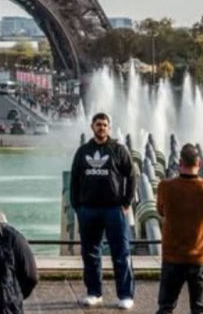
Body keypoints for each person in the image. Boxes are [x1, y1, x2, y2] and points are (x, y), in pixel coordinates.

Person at [70, 111, 136, 309]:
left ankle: (125, 295)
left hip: (114, 209)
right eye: (98, 124)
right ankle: (94, 292)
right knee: (90, 253)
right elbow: (75, 179)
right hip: (89, 210)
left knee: (121, 253)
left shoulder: (118, 149)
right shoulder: (83, 152)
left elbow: (132, 176)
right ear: (92, 127)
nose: (101, 128)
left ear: (109, 127)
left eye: (105, 125)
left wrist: (126, 202)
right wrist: (77, 205)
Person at [154, 143, 203, 314]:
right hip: (200, 258)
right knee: (199, 308)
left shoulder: (165, 187)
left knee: (166, 307)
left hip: (173, 256)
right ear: (199, 164)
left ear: (180, 163)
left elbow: (160, 210)